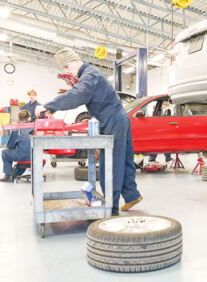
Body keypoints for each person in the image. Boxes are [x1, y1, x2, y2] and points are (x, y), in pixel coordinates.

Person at [35, 47, 142, 216]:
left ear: (75, 61)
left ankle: (111, 209)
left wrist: (49, 106)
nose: (66, 71)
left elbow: (76, 95)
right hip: (119, 118)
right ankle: (132, 195)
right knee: (125, 159)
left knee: (112, 163)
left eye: (67, 67)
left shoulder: (90, 75)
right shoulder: (90, 74)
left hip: (113, 120)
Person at [0, 110, 33, 182]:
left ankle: (8, 175)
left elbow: (10, 146)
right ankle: (16, 173)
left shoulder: (16, 130)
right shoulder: (33, 128)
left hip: (22, 156)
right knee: (23, 152)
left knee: (4, 152)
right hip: (34, 155)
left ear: (18, 119)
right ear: (28, 118)